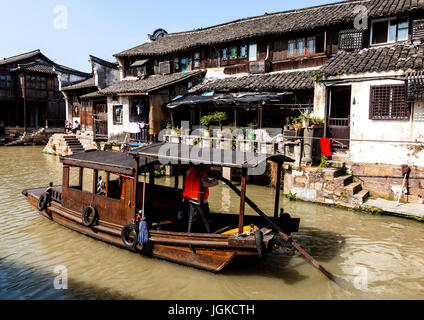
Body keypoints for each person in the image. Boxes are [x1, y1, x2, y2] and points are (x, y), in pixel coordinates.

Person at [183, 165, 221, 233]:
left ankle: (188, 233)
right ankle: (209, 233)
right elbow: (207, 183)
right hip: (199, 199)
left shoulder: (189, 170)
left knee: (191, 218)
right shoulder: (200, 174)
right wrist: (216, 179)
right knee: (206, 218)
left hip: (190, 198)